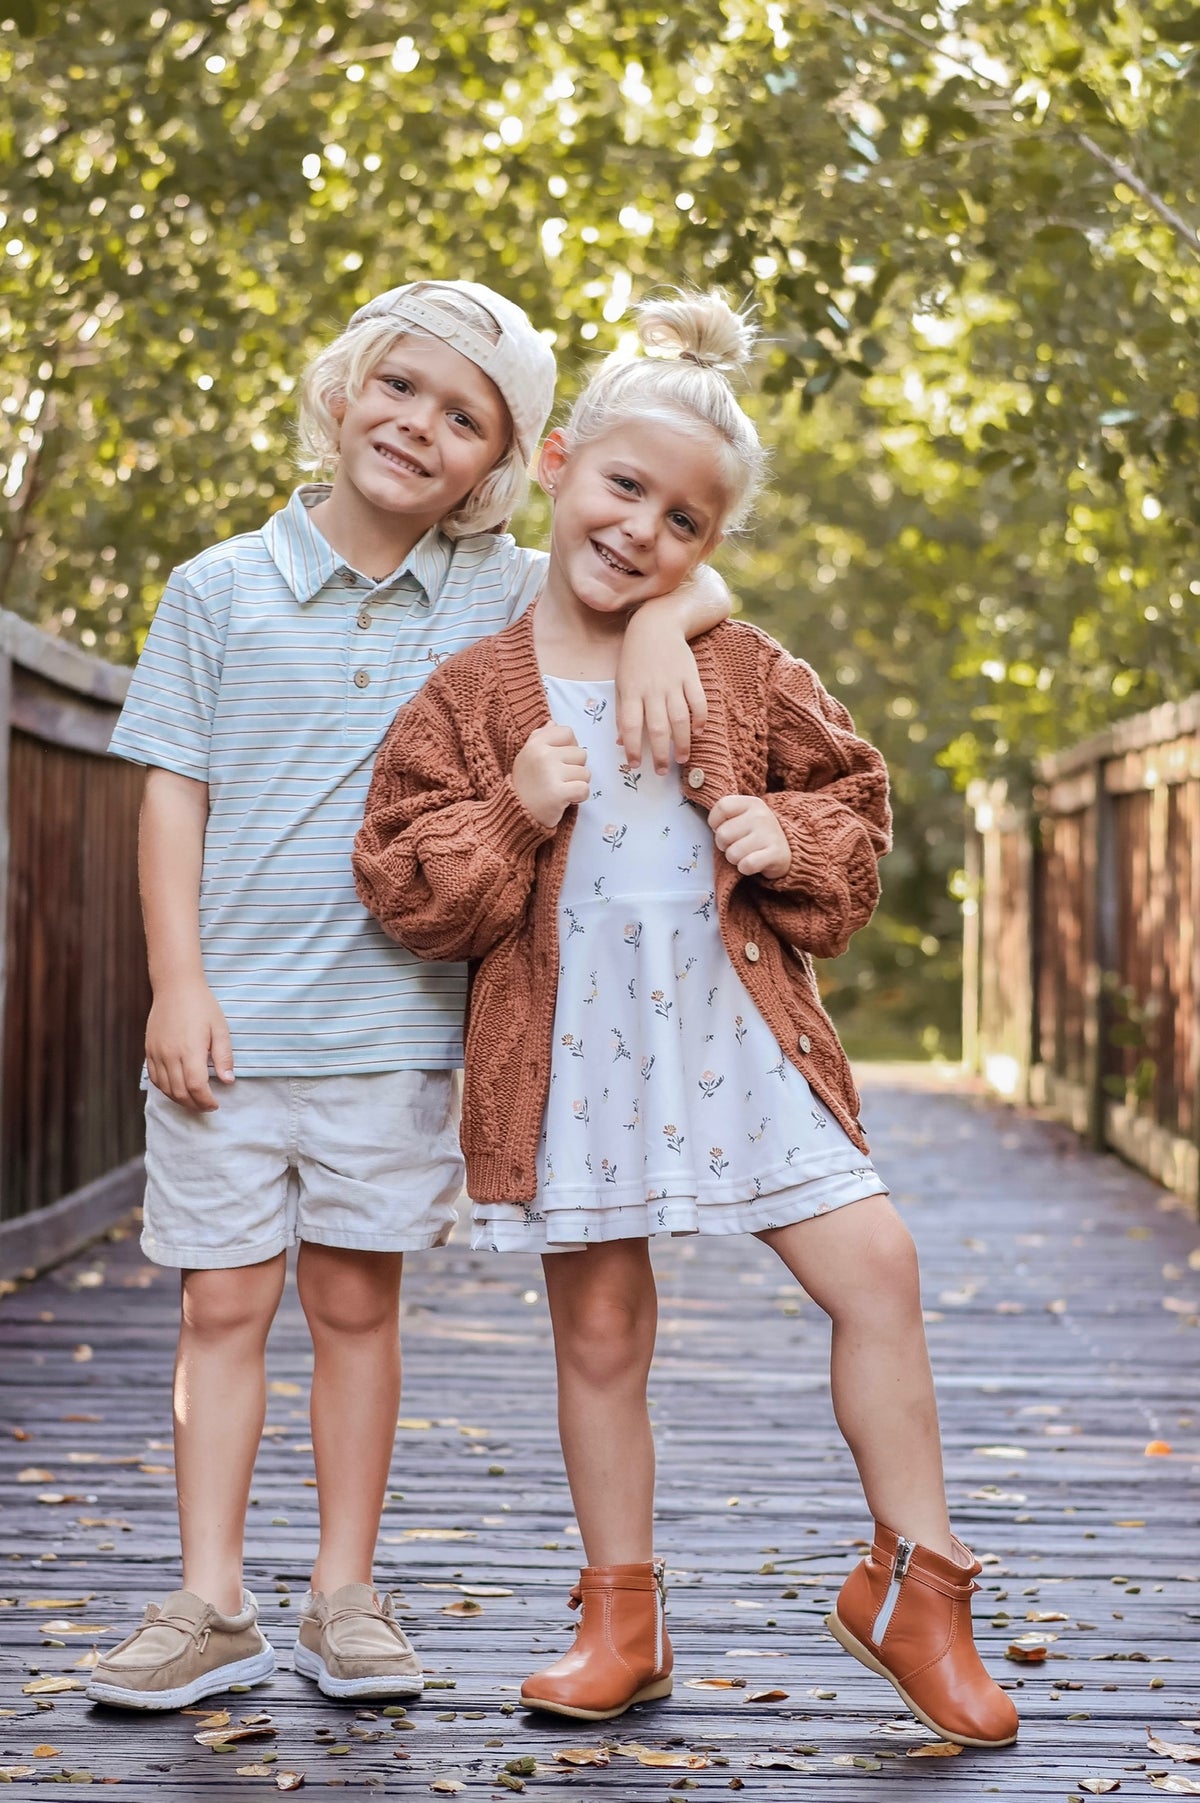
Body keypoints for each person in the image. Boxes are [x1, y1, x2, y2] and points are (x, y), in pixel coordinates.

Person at [353, 291, 1020, 1749]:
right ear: (560, 464)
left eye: (687, 524)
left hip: (739, 1032)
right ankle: (621, 1617)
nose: (644, 529)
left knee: (879, 1267)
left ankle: (919, 1582)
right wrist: (510, 815)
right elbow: (405, 885)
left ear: (713, 548)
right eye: (624, 487)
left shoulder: (740, 663)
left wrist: (789, 835)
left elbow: (854, 795)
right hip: (570, 1050)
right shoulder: (473, 693)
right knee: (598, 1329)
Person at [87, 279, 730, 1713]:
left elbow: (683, 574)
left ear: (503, 465)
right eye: (401, 389)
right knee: (221, 1312)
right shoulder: (217, 590)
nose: (418, 427)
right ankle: (207, 1601)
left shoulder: (496, 592)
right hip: (231, 1029)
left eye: (463, 418)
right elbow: (171, 793)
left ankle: (344, 1596)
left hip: (393, 1028)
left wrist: (644, 633)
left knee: (356, 1307)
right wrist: (175, 983)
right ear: (343, 389)